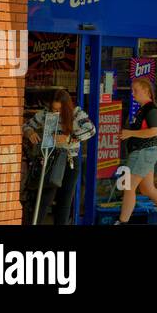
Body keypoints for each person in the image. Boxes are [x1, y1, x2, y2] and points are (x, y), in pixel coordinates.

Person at [22, 89, 96, 225]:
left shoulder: (77, 113)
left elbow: (91, 129)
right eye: (54, 109)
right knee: (44, 199)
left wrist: (70, 137)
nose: (56, 112)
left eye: (60, 109)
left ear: (66, 107)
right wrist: (30, 132)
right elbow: (26, 125)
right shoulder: (45, 113)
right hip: (51, 159)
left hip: (69, 160)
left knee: (64, 201)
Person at [116, 77, 157, 224]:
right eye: (132, 90)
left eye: (135, 90)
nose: (132, 93)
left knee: (128, 187)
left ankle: (122, 221)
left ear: (146, 91)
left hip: (142, 153)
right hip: (144, 152)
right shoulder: (142, 109)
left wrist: (130, 133)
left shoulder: (150, 109)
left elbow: (154, 131)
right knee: (147, 189)